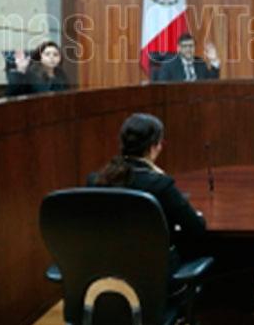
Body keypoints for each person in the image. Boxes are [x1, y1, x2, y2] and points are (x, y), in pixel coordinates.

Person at [89, 113, 206, 271]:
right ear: (153, 147)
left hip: (108, 266)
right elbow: (196, 228)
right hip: (155, 270)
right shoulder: (160, 185)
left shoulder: (96, 181)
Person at [155, 33, 220, 82]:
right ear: (178, 48)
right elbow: (163, 89)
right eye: (185, 46)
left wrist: (214, 60)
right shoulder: (168, 66)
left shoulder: (200, 62)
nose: (188, 49)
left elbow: (211, 83)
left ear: (195, 47)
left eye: (191, 46)